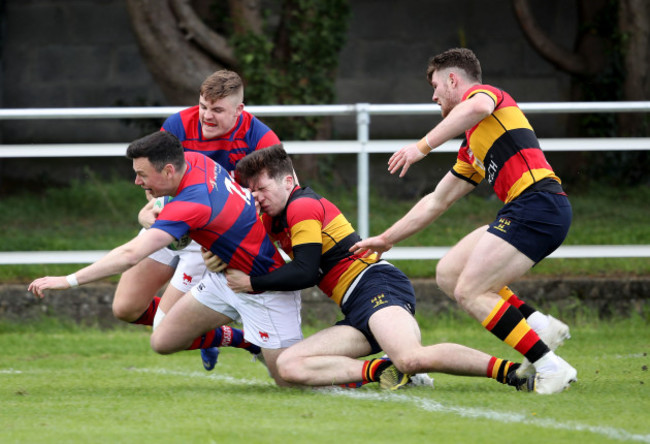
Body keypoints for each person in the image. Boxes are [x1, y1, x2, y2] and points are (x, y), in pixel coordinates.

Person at [207, 144, 533, 391]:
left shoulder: (302, 205)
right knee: (289, 368)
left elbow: (305, 271)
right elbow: (240, 240)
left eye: (262, 189)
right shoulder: (271, 217)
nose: (257, 197)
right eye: (252, 191)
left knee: (411, 356)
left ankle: (515, 373)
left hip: (377, 286)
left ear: (289, 180)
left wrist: (253, 282)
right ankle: (381, 371)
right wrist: (217, 253)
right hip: (354, 307)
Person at [349, 48, 577, 394]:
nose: (434, 95)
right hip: (526, 209)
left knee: (470, 290)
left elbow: (478, 106)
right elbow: (436, 201)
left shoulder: (487, 98)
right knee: (449, 272)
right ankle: (539, 325)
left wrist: (421, 147)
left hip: (539, 205)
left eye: (437, 86)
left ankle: (547, 365)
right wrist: (386, 239)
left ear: (454, 80)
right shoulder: (472, 145)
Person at [28, 132, 303, 386]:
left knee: (291, 380)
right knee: (162, 339)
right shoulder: (196, 161)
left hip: (262, 287)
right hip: (225, 278)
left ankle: (345, 371)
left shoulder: (191, 204)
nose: (137, 182)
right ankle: (247, 341)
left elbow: (130, 255)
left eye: (141, 174)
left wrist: (67, 280)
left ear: (169, 170)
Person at [112, 70, 282, 370]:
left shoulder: (262, 139)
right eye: (203, 106)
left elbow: (277, 203)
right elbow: (155, 180)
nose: (206, 116)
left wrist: (226, 247)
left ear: (240, 110)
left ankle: (231, 333)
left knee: (164, 333)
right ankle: (236, 338)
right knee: (125, 308)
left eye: (217, 110)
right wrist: (150, 209)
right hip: (175, 222)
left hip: (216, 239)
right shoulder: (177, 125)